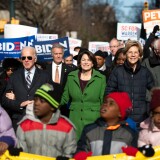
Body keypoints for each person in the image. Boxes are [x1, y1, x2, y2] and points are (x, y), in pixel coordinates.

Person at [16, 83, 77, 158]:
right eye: (35, 99)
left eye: (42, 101)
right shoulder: (24, 126)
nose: (36, 103)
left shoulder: (67, 128)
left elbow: (70, 153)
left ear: (52, 106)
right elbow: (21, 155)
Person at [106, 40, 154, 128]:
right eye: (130, 52)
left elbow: (154, 92)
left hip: (142, 120)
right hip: (122, 119)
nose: (133, 55)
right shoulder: (117, 71)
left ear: (139, 55)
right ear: (126, 54)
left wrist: (148, 110)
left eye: (136, 52)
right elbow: (109, 93)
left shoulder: (145, 72)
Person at [2, 46, 52, 131]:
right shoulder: (14, 76)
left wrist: (37, 103)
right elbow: (5, 100)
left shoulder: (45, 76)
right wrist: (20, 104)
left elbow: (51, 98)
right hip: (19, 121)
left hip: (39, 121)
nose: (26, 60)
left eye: (29, 57)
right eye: (23, 58)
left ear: (35, 59)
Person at [75, 92, 137, 158]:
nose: (105, 105)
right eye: (105, 102)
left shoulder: (129, 134)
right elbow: (81, 152)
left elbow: (133, 157)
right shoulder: (89, 130)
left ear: (120, 113)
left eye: (111, 103)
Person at [61, 50, 106, 140]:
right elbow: (64, 98)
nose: (86, 62)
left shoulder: (101, 78)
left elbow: (103, 101)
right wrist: (50, 104)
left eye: (89, 60)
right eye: (83, 60)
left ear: (93, 63)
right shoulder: (71, 76)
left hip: (94, 121)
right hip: (75, 120)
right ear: (79, 62)